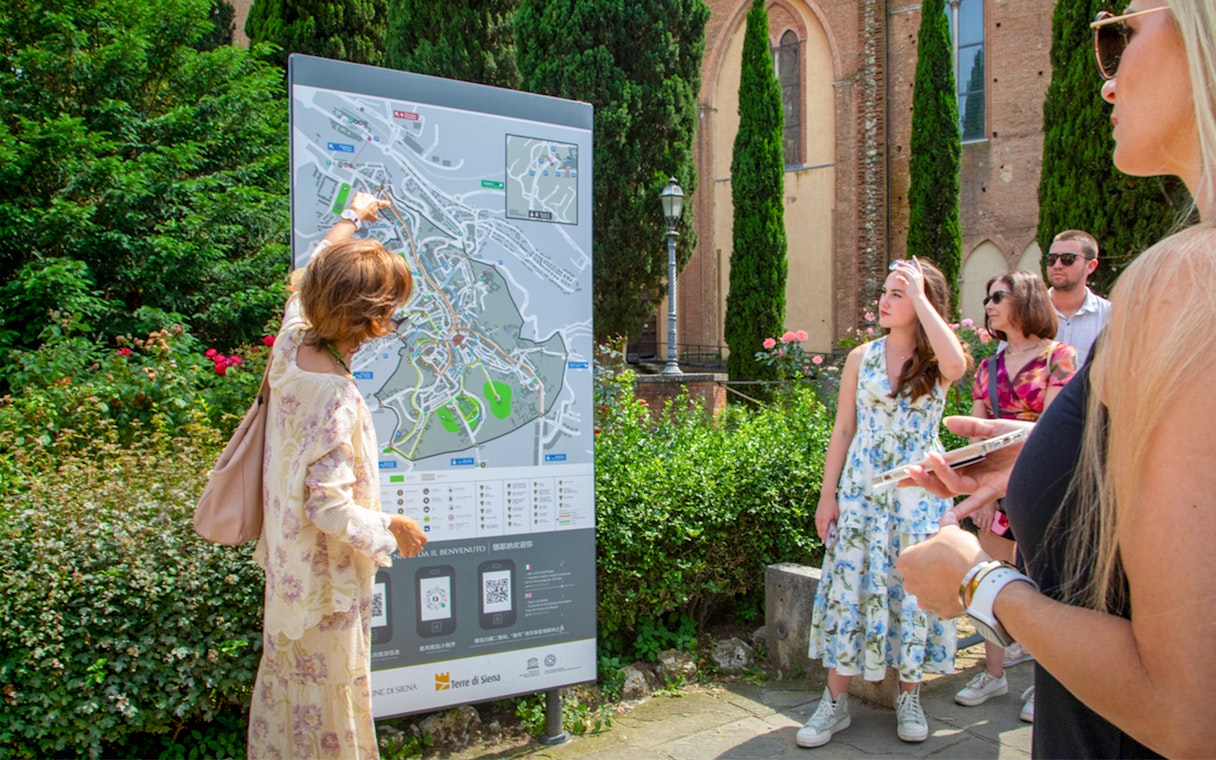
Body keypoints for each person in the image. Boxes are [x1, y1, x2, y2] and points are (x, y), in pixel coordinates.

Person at [896, 2, 1216, 757]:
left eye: (1120, 36)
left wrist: (976, 585)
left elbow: (1186, 711)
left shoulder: (1184, 280)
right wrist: (1043, 450)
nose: (1105, 85)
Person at [248, 191, 428, 758]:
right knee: (327, 714)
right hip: (323, 588)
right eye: (390, 309)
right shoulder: (333, 395)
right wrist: (390, 527)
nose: (392, 319)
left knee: (288, 701)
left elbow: (312, 270)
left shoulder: (293, 341)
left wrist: (352, 217)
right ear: (368, 318)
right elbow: (326, 506)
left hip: (287, 571)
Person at [797, 258, 970, 748]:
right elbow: (844, 429)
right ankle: (833, 704)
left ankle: (910, 696)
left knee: (914, 589)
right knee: (848, 586)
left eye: (899, 293)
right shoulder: (861, 356)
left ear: (920, 303)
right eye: (888, 291)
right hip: (861, 494)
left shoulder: (938, 360)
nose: (885, 300)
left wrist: (920, 295)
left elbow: (958, 365)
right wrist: (826, 496)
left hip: (917, 494)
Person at [953, 271, 1076, 721]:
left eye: (997, 296)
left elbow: (1057, 430)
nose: (988, 304)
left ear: (1024, 299)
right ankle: (993, 673)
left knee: (1045, 589)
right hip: (996, 490)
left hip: (1043, 484)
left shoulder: (1059, 358)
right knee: (991, 578)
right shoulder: (987, 367)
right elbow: (977, 436)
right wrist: (983, 499)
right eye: (987, 297)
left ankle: (1045, 687)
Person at [1044, 229, 1111, 363]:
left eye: (1067, 259)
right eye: (1051, 259)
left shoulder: (1109, 316)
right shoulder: (1025, 311)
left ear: (1091, 266)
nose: (1057, 265)